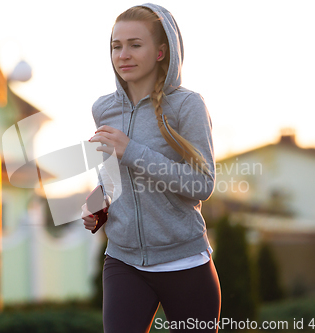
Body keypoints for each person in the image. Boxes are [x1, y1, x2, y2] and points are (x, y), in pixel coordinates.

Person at [82, 3, 221, 332]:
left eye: (135, 45)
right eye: (116, 46)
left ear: (161, 52)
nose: (123, 55)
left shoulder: (188, 106)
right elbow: (113, 180)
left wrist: (131, 151)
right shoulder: (103, 108)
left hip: (184, 262)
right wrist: (98, 205)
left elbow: (202, 184)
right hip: (123, 260)